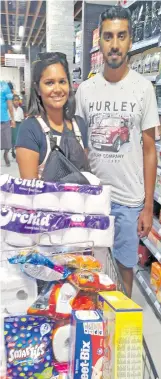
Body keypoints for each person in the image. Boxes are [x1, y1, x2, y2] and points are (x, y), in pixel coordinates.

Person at [75, 6, 159, 297]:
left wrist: (148, 206)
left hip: (128, 201)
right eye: (108, 36)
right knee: (89, 268)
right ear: (99, 43)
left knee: (125, 268)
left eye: (121, 36)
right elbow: (79, 144)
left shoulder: (143, 88)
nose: (114, 44)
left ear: (130, 40)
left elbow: (150, 150)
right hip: (94, 199)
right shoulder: (85, 90)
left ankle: (120, 329)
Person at [16, 52, 88, 179]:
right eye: (49, 83)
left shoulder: (79, 125)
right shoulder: (30, 129)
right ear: (37, 88)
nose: (58, 89)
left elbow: (86, 174)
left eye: (62, 81)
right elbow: (30, 192)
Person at [0, 81, 15, 166]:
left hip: (4, 119)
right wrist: (12, 119)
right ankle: (6, 155)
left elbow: (9, 104)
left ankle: (6, 156)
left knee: (7, 142)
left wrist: (12, 119)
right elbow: (10, 105)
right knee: (8, 142)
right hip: (4, 120)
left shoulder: (4, 86)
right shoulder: (5, 86)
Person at [12, 94, 24, 158]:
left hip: (19, 125)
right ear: (12, 101)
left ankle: (17, 152)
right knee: (13, 139)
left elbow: (22, 119)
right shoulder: (10, 109)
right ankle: (13, 150)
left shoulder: (20, 109)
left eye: (17, 100)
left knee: (18, 139)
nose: (16, 101)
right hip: (12, 125)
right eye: (15, 100)